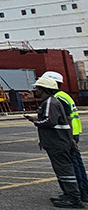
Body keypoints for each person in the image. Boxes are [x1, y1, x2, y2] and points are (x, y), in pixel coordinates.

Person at [25, 76, 83, 208]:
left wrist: (34, 120)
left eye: (37, 88)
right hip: (59, 141)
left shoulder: (49, 102)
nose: (35, 90)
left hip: (57, 142)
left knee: (64, 169)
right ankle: (69, 194)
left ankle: (73, 198)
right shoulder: (53, 101)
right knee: (62, 170)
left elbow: (49, 121)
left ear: (43, 89)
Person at [40, 72, 88, 203]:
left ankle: (77, 193)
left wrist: (70, 139)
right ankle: (83, 191)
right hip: (71, 134)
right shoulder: (64, 96)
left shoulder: (57, 98)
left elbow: (65, 118)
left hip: (66, 135)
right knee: (76, 163)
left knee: (70, 165)